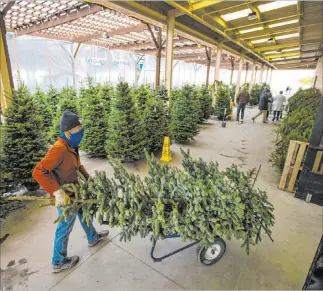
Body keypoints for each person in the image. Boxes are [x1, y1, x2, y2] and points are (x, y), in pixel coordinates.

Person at [32, 111, 109, 273]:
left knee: (84, 213)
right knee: (64, 227)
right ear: (67, 131)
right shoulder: (58, 149)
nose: (81, 132)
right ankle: (58, 261)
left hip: (76, 190)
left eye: (81, 127)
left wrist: (89, 179)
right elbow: (38, 171)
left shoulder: (72, 145)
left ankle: (92, 237)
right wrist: (56, 192)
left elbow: (78, 166)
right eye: (77, 129)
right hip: (65, 195)